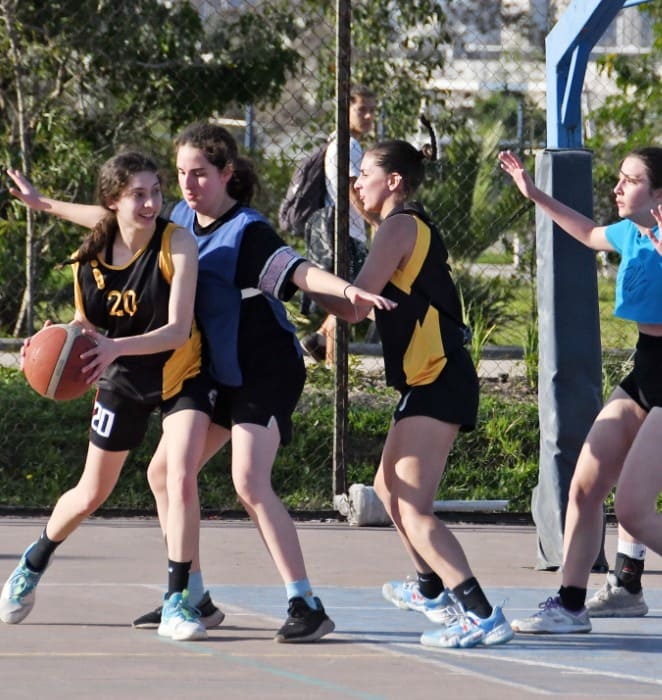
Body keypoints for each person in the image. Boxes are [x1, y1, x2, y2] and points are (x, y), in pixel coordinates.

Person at [9, 123, 395, 643]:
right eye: (181, 175)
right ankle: (192, 598)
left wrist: (349, 290)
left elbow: (299, 271)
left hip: (264, 366)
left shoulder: (248, 232)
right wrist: (45, 205)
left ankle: (305, 603)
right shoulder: (180, 220)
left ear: (226, 175)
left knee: (248, 481)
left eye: (199, 175)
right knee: (163, 472)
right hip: (220, 367)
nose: (187, 185)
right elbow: (112, 214)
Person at [0, 152, 216, 642]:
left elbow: (179, 329)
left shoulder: (176, 242)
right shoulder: (91, 255)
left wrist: (114, 346)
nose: (151, 202)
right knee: (90, 492)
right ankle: (32, 564)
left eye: (156, 191)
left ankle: (178, 601)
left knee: (179, 477)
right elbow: (83, 325)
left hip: (181, 372)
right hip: (120, 378)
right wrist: (51, 339)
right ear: (114, 202)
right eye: (138, 194)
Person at [319, 133, 515, 648]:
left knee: (412, 507)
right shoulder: (402, 224)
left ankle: (480, 612)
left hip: (439, 375)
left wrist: (298, 280)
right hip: (429, 376)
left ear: (395, 182)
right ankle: (431, 590)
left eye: (366, 174)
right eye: (355, 175)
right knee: (388, 492)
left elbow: (356, 303)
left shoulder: (399, 228)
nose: (359, 182)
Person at [498, 146, 662, 634]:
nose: (617, 188)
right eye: (619, 178)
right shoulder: (629, 232)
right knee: (585, 487)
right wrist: (535, 194)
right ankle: (570, 606)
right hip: (646, 370)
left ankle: (615, 586)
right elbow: (588, 233)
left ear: (658, 194)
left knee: (632, 508)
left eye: (630, 181)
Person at [301, 84, 381, 366]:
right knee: (350, 299)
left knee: (349, 296)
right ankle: (337, 370)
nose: (369, 116)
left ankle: (318, 341)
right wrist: (376, 221)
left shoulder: (343, 142)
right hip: (345, 232)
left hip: (347, 230)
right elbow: (352, 188)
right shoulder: (349, 145)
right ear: (345, 111)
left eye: (373, 111)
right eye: (362, 110)